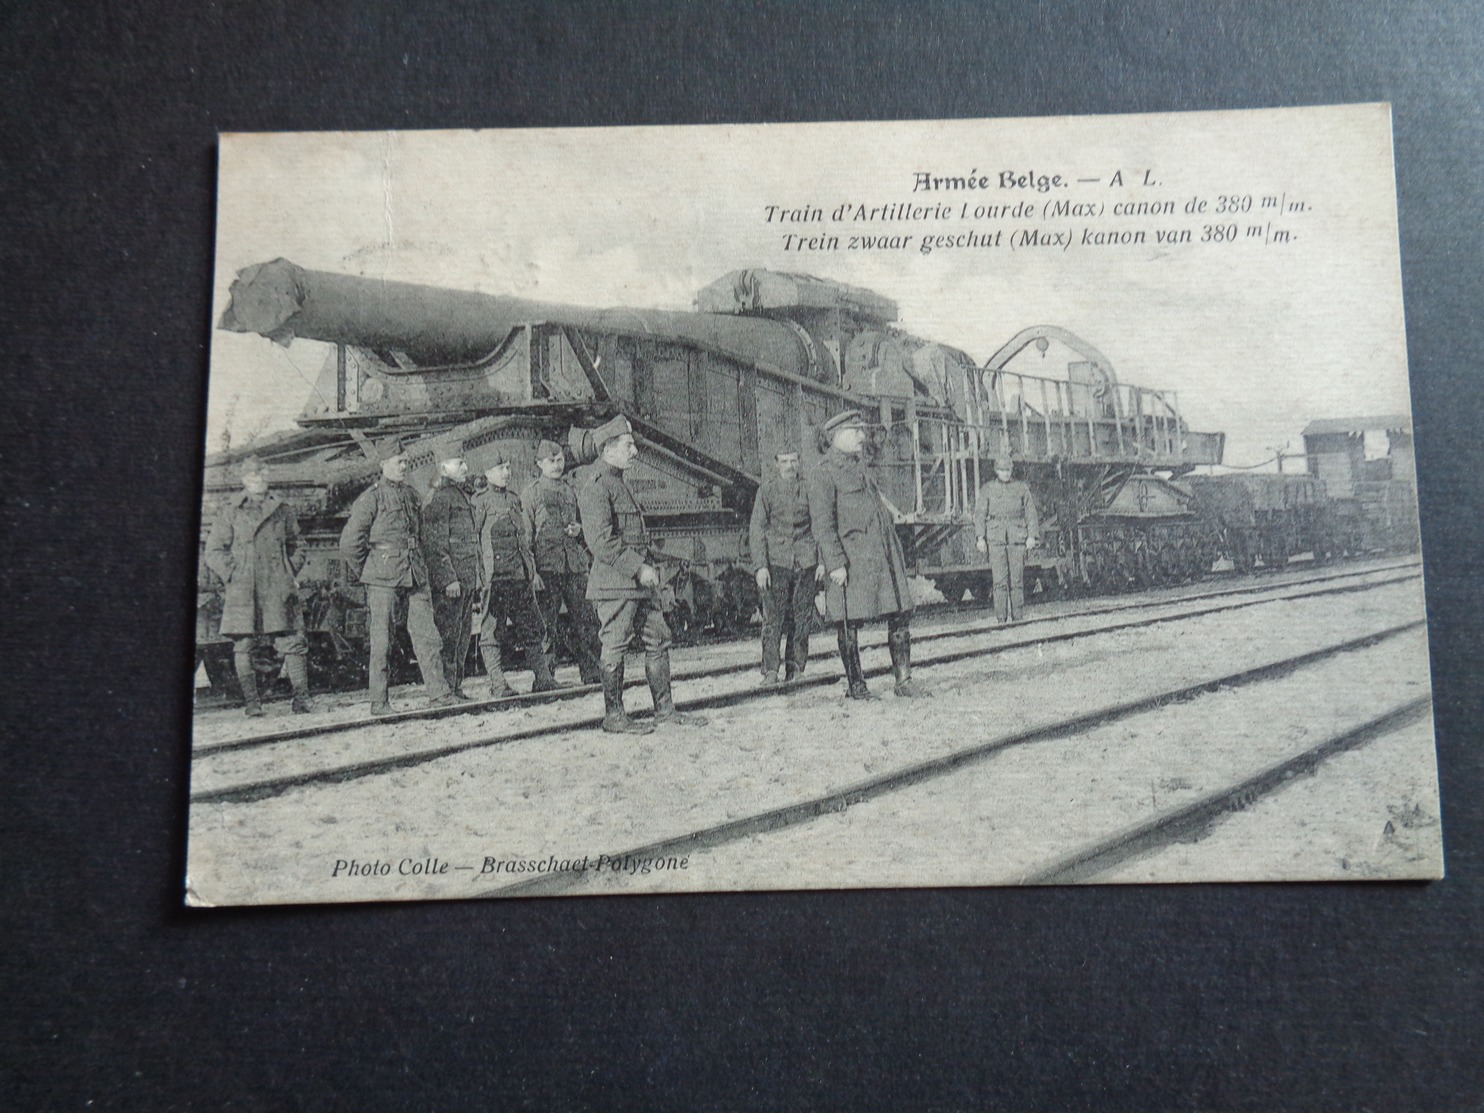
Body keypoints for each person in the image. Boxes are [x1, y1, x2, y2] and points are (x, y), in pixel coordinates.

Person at [577, 415, 708, 734]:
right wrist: (638, 567)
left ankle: (664, 710)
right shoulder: (596, 485)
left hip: (636, 584)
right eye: (628, 445)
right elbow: (601, 542)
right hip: (616, 585)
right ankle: (614, 716)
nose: (634, 451)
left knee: (659, 638)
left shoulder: (616, 481)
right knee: (615, 645)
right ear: (608, 449)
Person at [808, 410, 928, 700]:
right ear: (837, 436)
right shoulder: (822, 473)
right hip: (853, 560)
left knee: (899, 614)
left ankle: (904, 681)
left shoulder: (859, 467)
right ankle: (857, 686)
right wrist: (835, 563)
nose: (863, 437)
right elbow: (823, 525)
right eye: (856, 431)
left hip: (881, 556)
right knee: (849, 623)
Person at [339, 443, 457, 715]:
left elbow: (422, 536)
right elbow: (349, 543)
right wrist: (371, 572)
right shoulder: (371, 498)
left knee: (428, 636)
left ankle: (439, 694)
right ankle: (379, 702)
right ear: (383, 464)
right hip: (383, 578)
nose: (403, 466)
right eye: (397, 462)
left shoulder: (411, 495)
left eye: (405, 462)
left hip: (414, 574)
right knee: (382, 640)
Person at [204, 458, 314, 716]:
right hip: (244, 587)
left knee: (293, 641)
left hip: (277, 585)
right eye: (253, 476)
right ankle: (252, 704)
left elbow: (298, 544)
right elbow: (213, 551)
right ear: (244, 480)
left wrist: (289, 572)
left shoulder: (281, 509)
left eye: (263, 476)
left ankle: (302, 700)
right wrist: (234, 573)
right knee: (244, 645)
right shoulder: (230, 510)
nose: (259, 480)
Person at [472, 451, 557, 698]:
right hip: (496, 578)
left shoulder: (513, 499)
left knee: (533, 628)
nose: (506, 472)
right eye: (500, 468)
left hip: (519, 576)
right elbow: (475, 541)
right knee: (491, 633)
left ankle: (543, 679)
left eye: (508, 467)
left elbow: (523, 539)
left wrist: (530, 571)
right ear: (487, 473)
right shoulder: (480, 502)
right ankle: (498, 685)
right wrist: (481, 577)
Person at [521, 439, 603, 686]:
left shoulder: (570, 490)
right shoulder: (531, 494)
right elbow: (525, 537)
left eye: (560, 461)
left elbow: (585, 524)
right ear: (539, 464)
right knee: (546, 624)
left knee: (586, 620)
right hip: (548, 569)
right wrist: (532, 572)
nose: (556, 466)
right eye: (550, 461)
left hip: (574, 566)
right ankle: (545, 678)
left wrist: (580, 530)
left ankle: (592, 672)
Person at [748, 449, 823, 685]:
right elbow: (757, 529)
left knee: (801, 618)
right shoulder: (766, 490)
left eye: (793, 461)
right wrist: (760, 566)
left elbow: (821, 526)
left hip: (805, 561)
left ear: (799, 462)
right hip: (776, 563)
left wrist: (821, 561)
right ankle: (770, 670)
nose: (789, 466)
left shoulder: (810, 489)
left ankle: (796, 668)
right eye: (784, 461)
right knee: (773, 619)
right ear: (776, 464)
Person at [422, 455, 483, 699]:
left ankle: (456, 688)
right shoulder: (440, 497)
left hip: (466, 579)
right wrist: (448, 578)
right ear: (443, 467)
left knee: (462, 635)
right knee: (449, 636)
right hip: (453, 582)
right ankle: (446, 689)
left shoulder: (457, 494)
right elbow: (435, 543)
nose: (466, 467)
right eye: (459, 463)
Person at [973, 458, 1041, 623]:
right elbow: (980, 514)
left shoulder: (1021, 488)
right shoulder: (987, 489)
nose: (1005, 473)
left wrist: (1032, 536)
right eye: (1002, 470)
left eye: (1008, 470)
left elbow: (1031, 513)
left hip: (1017, 538)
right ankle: (1001, 620)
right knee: (999, 582)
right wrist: (980, 537)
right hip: (995, 539)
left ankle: (1018, 618)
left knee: (1017, 581)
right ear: (996, 471)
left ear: (1012, 471)